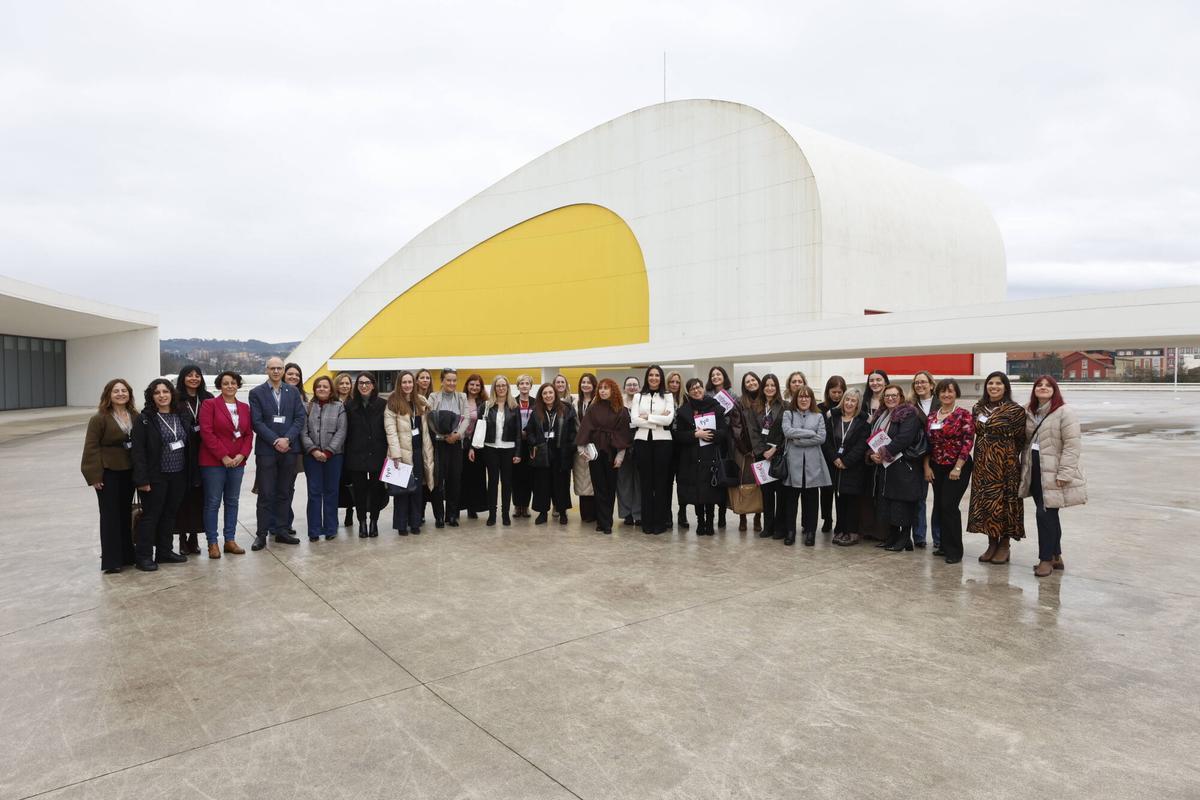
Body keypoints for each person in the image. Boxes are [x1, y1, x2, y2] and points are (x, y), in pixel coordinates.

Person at [1019, 376, 1087, 577]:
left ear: (1055, 390)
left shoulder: (1064, 412)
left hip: (1054, 470)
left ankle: (1045, 559)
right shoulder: (1028, 411)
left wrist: (1065, 473)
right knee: (1049, 513)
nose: (1043, 388)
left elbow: (1072, 445)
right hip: (1035, 467)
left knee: (1044, 513)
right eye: (1039, 385)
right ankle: (1056, 556)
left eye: (1048, 385)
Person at [130, 378, 190, 571]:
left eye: (165, 391)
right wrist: (142, 479)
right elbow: (137, 451)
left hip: (178, 474)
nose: (162, 396)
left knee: (170, 515)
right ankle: (144, 556)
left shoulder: (180, 415)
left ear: (172, 394)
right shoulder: (145, 419)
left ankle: (164, 552)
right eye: (157, 393)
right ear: (152, 396)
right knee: (151, 516)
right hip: (156, 476)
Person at [967, 371, 1026, 564]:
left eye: (998, 384)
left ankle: (1004, 545)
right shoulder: (978, 408)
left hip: (1005, 464)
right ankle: (992, 542)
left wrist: (1004, 453)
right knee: (987, 502)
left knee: (1005, 503)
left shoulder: (1015, 410)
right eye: (990, 383)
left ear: (1005, 387)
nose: (994, 387)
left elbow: (1020, 439)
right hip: (982, 463)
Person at [248, 357, 306, 551]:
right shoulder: (256, 393)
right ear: (266, 370)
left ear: (283, 370)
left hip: (289, 450)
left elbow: (299, 418)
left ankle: (281, 530)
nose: (276, 371)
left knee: (284, 492)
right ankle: (261, 535)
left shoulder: (293, 392)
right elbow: (257, 422)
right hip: (267, 450)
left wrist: (287, 439)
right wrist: (275, 440)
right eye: (272, 368)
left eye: (279, 368)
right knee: (265, 494)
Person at [81, 378, 138, 573]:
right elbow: (91, 447)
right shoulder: (100, 418)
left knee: (125, 514)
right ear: (108, 395)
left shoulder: (134, 415)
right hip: (108, 472)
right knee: (110, 516)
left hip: (129, 471)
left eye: (124, 390)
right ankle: (112, 561)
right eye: (116, 391)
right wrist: (94, 476)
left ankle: (128, 555)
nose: (121, 394)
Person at [197, 370, 252, 558]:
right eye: (226, 383)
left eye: (233, 383)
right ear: (220, 385)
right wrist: (223, 456)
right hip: (213, 462)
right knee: (213, 502)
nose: (230, 386)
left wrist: (242, 455)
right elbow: (206, 432)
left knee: (232, 501)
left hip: (237, 462)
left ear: (238, 385)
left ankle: (230, 540)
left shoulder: (244, 407)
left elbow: (247, 434)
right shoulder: (209, 404)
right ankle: (212, 542)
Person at [868, 384, 926, 553]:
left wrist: (884, 452)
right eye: (887, 396)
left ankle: (905, 538)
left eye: (894, 395)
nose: (890, 398)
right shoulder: (882, 415)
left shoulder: (909, 414)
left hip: (904, 465)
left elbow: (904, 438)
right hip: (886, 467)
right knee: (889, 504)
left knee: (903, 504)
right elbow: (874, 439)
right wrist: (872, 455)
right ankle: (892, 537)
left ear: (901, 397)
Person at [923, 378, 974, 564]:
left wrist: (958, 467)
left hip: (957, 466)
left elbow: (968, 442)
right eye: (943, 391)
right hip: (937, 466)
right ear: (938, 394)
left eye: (950, 391)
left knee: (949, 506)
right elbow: (928, 445)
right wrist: (927, 466)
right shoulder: (932, 417)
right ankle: (944, 545)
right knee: (940, 505)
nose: (946, 395)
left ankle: (955, 550)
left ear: (956, 393)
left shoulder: (963, 415)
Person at [575, 378, 633, 534]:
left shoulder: (622, 410)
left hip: (612, 452)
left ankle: (607, 521)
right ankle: (602, 522)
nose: (602, 390)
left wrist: (620, 457)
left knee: (610, 488)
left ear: (613, 390)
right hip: (596, 453)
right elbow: (585, 429)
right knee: (599, 487)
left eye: (606, 388)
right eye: (600, 388)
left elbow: (624, 434)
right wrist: (582, 450)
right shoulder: (593, 409)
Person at [673, 378, 729, 535]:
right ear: (688, 392)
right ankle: (700, 521)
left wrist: (710, 434)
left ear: (703, 388)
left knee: (710, 490)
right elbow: (677, 435)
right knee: (698, 491)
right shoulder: (683, 411)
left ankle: (710, 522)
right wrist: (695, 434)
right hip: (692, 457)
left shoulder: (716, 408)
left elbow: (724, 432)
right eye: (692, 389)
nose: (696, 391)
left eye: (699, 387)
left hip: (711, 456)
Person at [384, 371, 437, 536]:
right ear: (399, 384)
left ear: (414, 384)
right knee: (402, 491)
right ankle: (401, 525)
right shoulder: (392, 404)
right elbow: (390, 431)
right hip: (401, 454)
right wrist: (396, 454)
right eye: (404, 382)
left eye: (410, 382)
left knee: (417, 490)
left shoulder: (420, 402)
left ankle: (415, 522)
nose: (407, 385)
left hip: (419, 452)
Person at [779, 385, 831, 546]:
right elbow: (787, 432)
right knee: (791, 500)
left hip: (813, 463)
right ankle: (790, 532)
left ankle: (810, 533)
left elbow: (821, 438)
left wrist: (799, 440)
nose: (804, 399)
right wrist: (810, 433)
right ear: (796, 399)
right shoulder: (788, 414)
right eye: (801, 396)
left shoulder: (818, 416)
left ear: (811, 399)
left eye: (807, 397)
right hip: (792, 463)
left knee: (811, 501)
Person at [172, 365, 213, 555]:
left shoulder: (207, 398)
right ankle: (181, 538)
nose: (194, 378)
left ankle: (194, 537)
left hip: (205, 453)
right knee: (182, 498)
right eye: (189, 375)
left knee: (200, 498)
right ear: (183, 378)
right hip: (182, 455)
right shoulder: (175, 399)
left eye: (197, 375)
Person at [631, 365, 677, 534]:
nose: (654, 378)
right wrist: (658, 418)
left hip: (663, 443)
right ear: (646, 377)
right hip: (642, 442)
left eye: (657, 375)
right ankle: (647, 523)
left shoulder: (668, 396)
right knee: (646, 483)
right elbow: (635, 420)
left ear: (661, 377)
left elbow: (669, 420)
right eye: (651, 375)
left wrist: (648, 417)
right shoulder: (638, 396)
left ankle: (660, 523)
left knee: (661, 484)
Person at [301, 375, 347, 541]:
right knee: (314, 493)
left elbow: (341, 431)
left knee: (331, 492)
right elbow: (303, 432)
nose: (322, 389)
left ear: (331, 389)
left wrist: (328, 451)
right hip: (311, 457)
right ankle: (314, 530)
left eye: (325, 386)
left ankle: (330, 528)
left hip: (333, 457)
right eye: (318, 386)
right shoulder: (307, 407)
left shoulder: (339, 407)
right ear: (314, 389)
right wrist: (313, 450)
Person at [343, 372, 388, 537]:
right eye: (360, 383)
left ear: (373, 385)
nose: (363, 385)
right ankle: (362, 522)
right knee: (359, 492)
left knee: (377, 491)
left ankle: (374, 521)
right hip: (356, 455)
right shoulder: (349, 406)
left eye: (367, 382)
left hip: (377, 453)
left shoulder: (383, 404)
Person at [824, 387, 870, 546]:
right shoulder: (832, 417)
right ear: (843, 401)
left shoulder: (863, 421)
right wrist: (835, 458)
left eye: (853, 401)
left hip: (854, 468)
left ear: (858, 404)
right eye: (847, 400)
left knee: (852, 501)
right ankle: (841, 529)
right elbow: (827, 441)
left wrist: (846, 461)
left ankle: (852, 532)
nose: (850, 403)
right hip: (836, 466)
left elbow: (862, 445)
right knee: (840, 499)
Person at [527, 382, 578, 524]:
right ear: (541, 396)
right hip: (542, 452)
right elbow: (529, 430)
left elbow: (573, 432)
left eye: (550, 392)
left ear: (555, 394)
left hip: (561, 452)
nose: (548, 395)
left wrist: (570, 448)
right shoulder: (536, 411)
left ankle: (562, 512)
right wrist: (534, 443)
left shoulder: (566, 409)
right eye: (545, 393)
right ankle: (542, 513)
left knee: (561, 484)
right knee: (542, 484)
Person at [474, 375, 522, 526]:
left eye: (504, 385)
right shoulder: (486, 406)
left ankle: (505, 514)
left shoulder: (514, 407)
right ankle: (492, 515)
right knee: (493, 482)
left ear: (508, 388)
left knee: (507, 483)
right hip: (491, 449)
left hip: (508, 449)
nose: (501, 388)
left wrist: (518, 453)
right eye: (498, 386)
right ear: (494, 388)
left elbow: (518, 433)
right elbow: (479, 429)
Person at [427, 368, 470, 527]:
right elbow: (429, 417)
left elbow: (465, 419)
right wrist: (442, 435)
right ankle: (439, 516)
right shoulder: (433, 397)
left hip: (455, 444)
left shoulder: (462, 397)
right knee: (438, 480)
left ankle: (452, 515)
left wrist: (457, 435)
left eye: (454, 380)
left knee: (454, 480)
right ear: (442, 381)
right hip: (438, 443)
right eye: (448, 380)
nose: (452, 383)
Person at [747, 373, 785, 539]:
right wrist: (763, 451)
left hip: (779, 455)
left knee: (781, 493)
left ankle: (779, 527)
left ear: (777, 387)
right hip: (762, 457)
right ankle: (768, 526)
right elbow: (753, 432)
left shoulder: (785, 406)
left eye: (773, 385)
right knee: (766, 494)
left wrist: (775, 449)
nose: (770, 388)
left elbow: (787, 432)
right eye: (767, 385)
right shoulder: (755, 407)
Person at [908, 370, 940, 550]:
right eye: (916, 382)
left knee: (940, 500)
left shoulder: (941, 402)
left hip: (941, 457)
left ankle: (939, 537)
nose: (920, 385)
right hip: (917, 457)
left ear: (931, 384)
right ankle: (919, 536)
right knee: (919, 498)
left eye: (923, 382)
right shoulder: (911, 405)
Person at [279, 362, 309, 536]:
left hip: (296, 448)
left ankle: (286, 521)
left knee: (288, 487)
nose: (293, 377)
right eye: (290, 374)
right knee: (274, 488)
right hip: (275, 445)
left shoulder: (303, 397)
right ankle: (276, 522)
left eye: (297, 375)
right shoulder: (277, 394)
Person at [706, 366, 737, 529]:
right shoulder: (706, 394)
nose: (716, 377)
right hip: (709, 438)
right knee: (711, 475)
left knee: (723, 473)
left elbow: (736, 417)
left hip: (726, 439)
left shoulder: (732, 394)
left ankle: (722, 514)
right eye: (713, 375)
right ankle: (710, 513)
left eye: (719, 374)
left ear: (724, 376)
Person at [733, 372, 762, 533]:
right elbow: (736, 429)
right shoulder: (739, 402)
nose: (751, 383)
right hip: (745, 451)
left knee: (761, 485)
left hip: (762, 451)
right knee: (743, 484)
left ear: (758, 381)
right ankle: (743, 517)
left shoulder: (765, 400)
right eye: (747, 381)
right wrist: (746, 450)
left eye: (753, 380)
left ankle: (758, 517)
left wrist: (762, 449)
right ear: (744, 386)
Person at [818, 376, 847, 534]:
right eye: (833, 392)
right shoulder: (820, 408)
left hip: (843, 456)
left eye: (839, 392)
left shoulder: (848, 407)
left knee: (841, 490)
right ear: (828, 392)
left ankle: (841, 521)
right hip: (825, 454)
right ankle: (827, 519)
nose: (836, 395)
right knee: (826, 490)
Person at [459, 373, 488, 519]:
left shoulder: (484, 403)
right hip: (459, 443)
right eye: (472, 384)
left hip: (476, 445)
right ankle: (456, 507)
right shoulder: (460, 399)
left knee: (475, 477)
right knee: (459, 476)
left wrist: (473, 446)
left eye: (478, 385)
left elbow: (482, 425)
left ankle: (473, 507)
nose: (474, 387)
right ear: (467, 385)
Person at [572, 373, 598, 523]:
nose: (586, 385)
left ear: (594, 385)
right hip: (580, 446)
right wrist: (581, 443)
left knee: (595, 479)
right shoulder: (576, 403)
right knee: (582, 480)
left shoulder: (599, 402)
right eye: (583, 382)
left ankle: (596, 513)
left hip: (596, 446)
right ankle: (586, 514)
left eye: (589, 382)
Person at [617, 376, 642, 526]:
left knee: (639, 481)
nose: (632, 387)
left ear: (639, 387)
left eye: (635, 384)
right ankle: (626, 513)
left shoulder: (643, 402)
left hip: (640, 443)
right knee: (624, 480)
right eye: (629, 385)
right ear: (624, 387)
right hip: (622, 445)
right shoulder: (618, 404)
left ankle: (638, 514)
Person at [333, 372, 357, 527]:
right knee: (335, 483)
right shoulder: (331, 401)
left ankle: (350, 512)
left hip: (350, 448)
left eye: (347, 383)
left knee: (350, 483)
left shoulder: (354, 402)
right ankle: (333, 515)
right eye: (341, 383)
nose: (345, 386)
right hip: (334, 449)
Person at [665, 371, 688, 530]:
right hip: (666, 442)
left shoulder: (686, 399)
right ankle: (667, 514)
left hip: (683, 444)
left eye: (677, 382)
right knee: (666, 480)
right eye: (671, 382)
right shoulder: (662, 398)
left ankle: (682, 512)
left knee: (682, 481)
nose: (674, 384)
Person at [511, 374, 536, 518]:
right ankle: (516, 506)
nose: (524, 386)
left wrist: (527, 432)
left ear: (531, 386)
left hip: (530, 443)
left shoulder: (536, 402)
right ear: (518, 386)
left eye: (527, 383)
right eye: (522, 383)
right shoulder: (512, 402)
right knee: (515, 476)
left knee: (528, 476)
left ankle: (525, 506)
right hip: (515, 444)